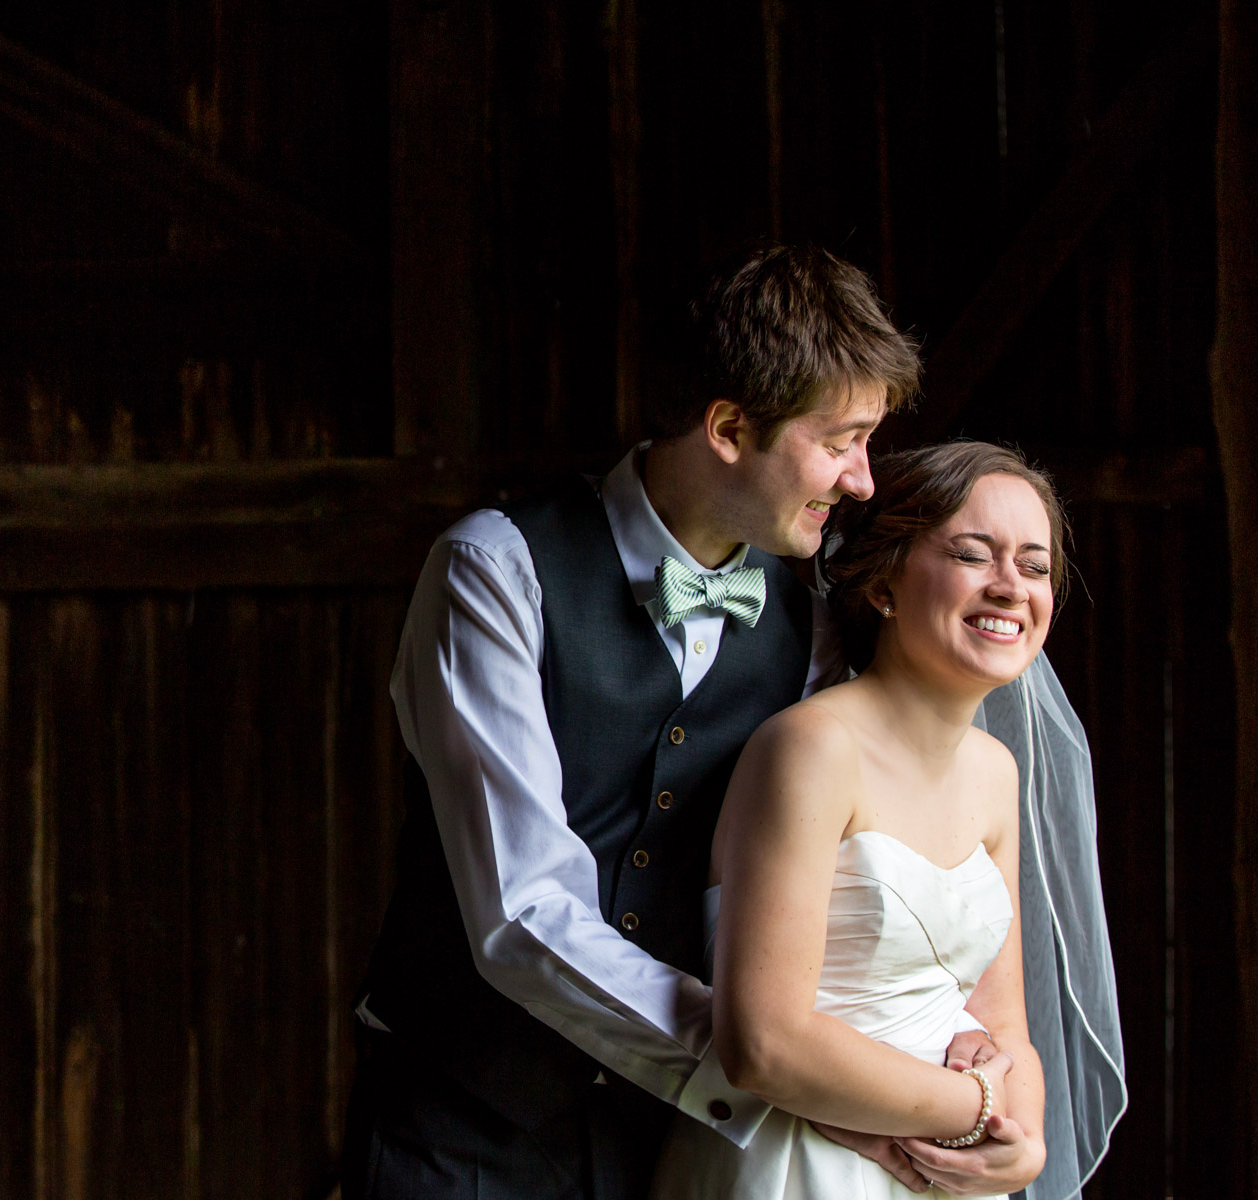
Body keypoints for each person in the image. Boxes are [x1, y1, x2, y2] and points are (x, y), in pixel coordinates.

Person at [340, 243, 931, 1199]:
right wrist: (760, 1063)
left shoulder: (807, 619)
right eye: (840, 441)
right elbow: (521, 914)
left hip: (671, 1147)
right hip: (462, 1129)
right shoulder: (495, 571)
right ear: (730, 427)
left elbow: (827, 874)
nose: (862, 480)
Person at [649, 442, 1075, 1198]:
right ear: (883, 585)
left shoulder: (995, 771)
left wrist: (1027, 1145)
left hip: (950, 1170)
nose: (1012, 587)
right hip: (802, 1162)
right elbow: (764, 1045)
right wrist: (976, 1105)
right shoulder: (811, 749)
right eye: (975, 555)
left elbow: (1004, 1021)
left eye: (1036, 566)